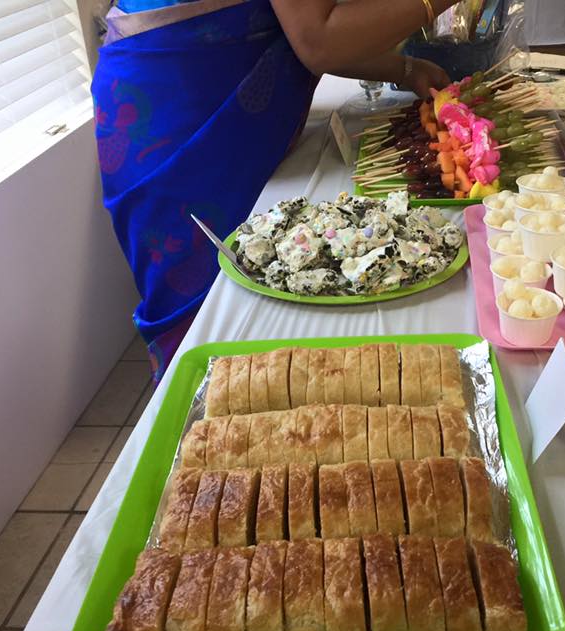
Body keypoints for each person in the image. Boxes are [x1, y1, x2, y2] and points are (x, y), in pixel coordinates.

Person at [93, 0, 456, 381]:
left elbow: (300, 28)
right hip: (179, 112)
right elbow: (317, 40)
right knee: (208, 324)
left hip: (208, 99)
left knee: (264, 282)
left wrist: (402, 69)